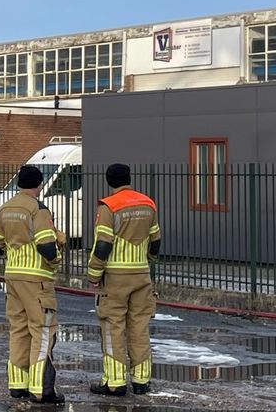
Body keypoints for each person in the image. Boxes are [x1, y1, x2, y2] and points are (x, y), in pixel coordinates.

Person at [0, 165, 67, 405]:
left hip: (13, 277)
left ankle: (17, 385)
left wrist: (15, 254)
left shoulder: (6, 207)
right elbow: (46, 246)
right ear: (39, 185)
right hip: (37, 279)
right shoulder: (39, 209)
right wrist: (57, 258)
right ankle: (41, 389)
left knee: (18, 329)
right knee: (43, 331)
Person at [87, 163, 161, 397]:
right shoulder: (148, 203)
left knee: (112, 327)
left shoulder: (109, 206)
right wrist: (146, 260)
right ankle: (141, 381)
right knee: (139, 327)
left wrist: (94, 274)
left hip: (115, 278)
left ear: (109, 182)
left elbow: (103, 245)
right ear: (129, 178)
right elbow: (155, 241)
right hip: (141, 276)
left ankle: (115, 382)